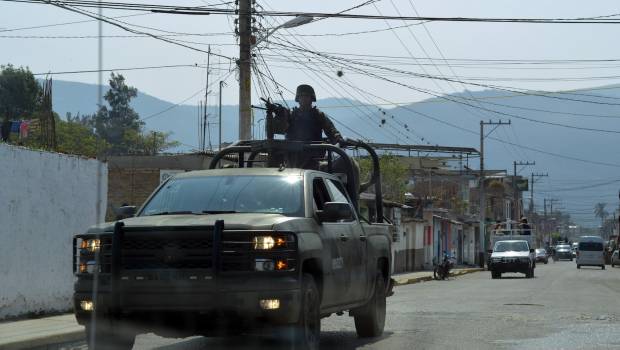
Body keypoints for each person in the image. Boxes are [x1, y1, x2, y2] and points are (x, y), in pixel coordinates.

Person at [273, 84, 344, 169]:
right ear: (298, 99)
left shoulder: (318, 115)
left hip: (313, 156)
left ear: (311, 98)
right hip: (292, 156)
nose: (303, 99)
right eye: (301, 96)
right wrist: (279, 115)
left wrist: (338, 138)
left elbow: (331, 129)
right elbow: (279, 129)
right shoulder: (291, 115)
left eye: (306, 96)